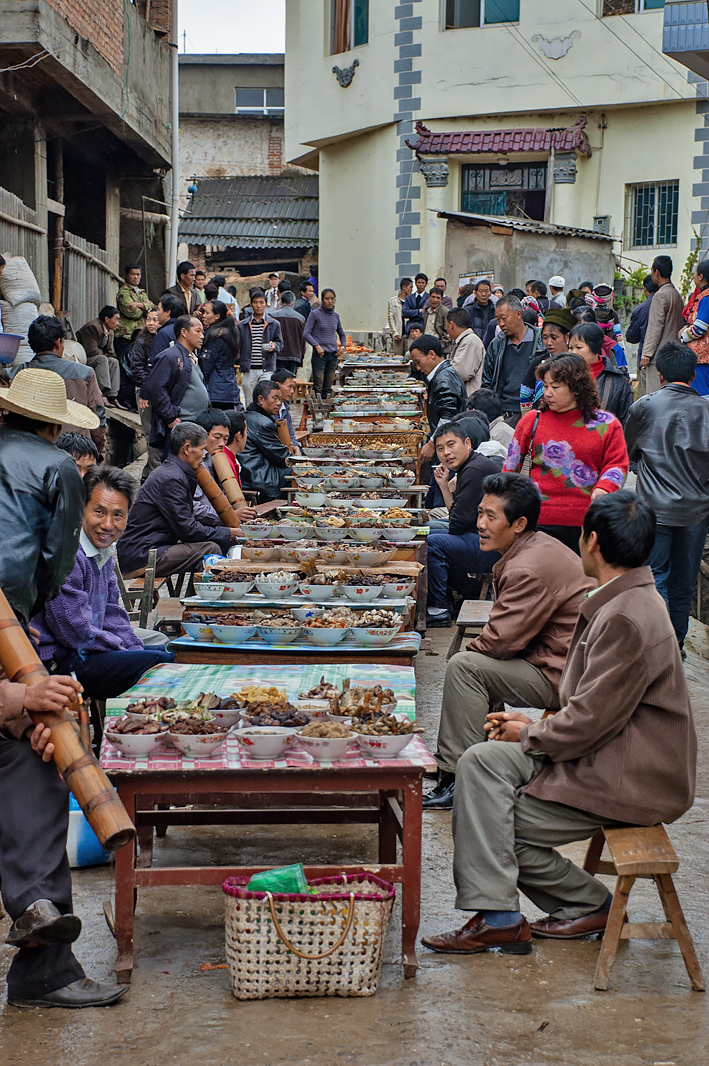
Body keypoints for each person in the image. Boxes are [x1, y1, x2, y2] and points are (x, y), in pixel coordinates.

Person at [423, 490, 696, 954]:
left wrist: (528, 732)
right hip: (605, 751)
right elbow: (590, 708)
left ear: (590, 542)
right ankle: (504, 913)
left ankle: (541, 911)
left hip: (629, 773)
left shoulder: (627, 617)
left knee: (492, 824)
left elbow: (589, 723)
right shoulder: (620, 599)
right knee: (480, 763)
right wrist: (526, 731)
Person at [0, 374, 128, 1009]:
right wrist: (25, 699)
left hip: (11, 638)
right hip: (13, 632)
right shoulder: (56, 467)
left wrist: (30, 705)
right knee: (36, 731)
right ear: (54, 429)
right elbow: (55, 569)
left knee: (39, 750)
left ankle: (43, 956)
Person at [423, 472, 592, 811]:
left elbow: (499, 643)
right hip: (560, 661)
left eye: (491, 516)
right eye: (480, 513)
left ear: (519, 524)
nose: (481, 523)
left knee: (465, 667)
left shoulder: (527, 567)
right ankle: (479, 755)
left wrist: (476, 653)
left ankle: (456, 777)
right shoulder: (535, 545)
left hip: (566, 676)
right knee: (479, 667)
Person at [32, 465, 174, 697]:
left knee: (170, 652)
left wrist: (133, 649)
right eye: (99, 512)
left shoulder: (102, 553)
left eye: (118, 515)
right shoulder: (66, 554)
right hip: (58, 663)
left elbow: (112, 613)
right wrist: (123, 650)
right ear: (81, 509)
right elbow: (74, 631)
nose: (108, 524)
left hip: (86, 651)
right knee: (161, 662)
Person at [625, 341, 709, 651]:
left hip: (653, 507)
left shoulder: (645, 406)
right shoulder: (706, 410)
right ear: (692, 374)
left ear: (660, 375)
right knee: (683, 582)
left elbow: (630, 450)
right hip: (696, 511)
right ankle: (675, 644)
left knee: (654, 574)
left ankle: (655, 643)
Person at [504, 355, 628, 553]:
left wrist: (605, 488)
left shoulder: (607, 424)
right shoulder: (531, 421)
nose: (548, 393)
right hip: (539, 521)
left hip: (588, 522)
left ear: (576, 387)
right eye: (545, 386)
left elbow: (617, 464)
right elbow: (509, 469)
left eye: (556, 387)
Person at [118, 422, 239, 579]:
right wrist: (227, 532)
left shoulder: (174, 473)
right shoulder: (170, 478)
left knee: (216, 543)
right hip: (141, 554)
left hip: (154, 547)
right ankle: (201, 600)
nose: (204, 455)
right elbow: (188, 530)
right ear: (187, 449)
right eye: (202, 449)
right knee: (210, 549)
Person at [425, 424, 500, 628]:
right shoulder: (470, 466)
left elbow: (456, 523)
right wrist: (443, 486)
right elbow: (458, 517)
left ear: (467, 443)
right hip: (479, 536)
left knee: (432, 543)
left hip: (493, 548)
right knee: (429, 528)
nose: (446, 453)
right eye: (440, 449)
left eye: (451, 445)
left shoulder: (475, 470)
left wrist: (447, 493)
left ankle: (438, 607)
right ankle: (467, 590)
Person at [21, 315, 106, 458]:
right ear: (58, 343)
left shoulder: (15, 374)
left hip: (30, 455)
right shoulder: (84, 373)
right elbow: (97, 416)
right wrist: (98, 451)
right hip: (77, 455)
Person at [143, 314, 210, 457]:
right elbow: (155, 387)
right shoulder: (170, 356)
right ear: (184, 332)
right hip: (180, 424)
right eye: (198, 331)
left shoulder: (192, 357)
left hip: (195, 423)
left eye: (202, 332)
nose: (202, 336)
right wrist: (171, 417)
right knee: (177, 465)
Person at [481, 295, 545, 421]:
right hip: (506, 412)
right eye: (498, 320)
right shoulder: (497, 344)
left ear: (518, 314)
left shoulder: (540, 340)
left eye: (504, 318)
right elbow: (487, 381)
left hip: (535, 411)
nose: (501, 324)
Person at [409, 334, 466, 462]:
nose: (418, 368)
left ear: (431, 354)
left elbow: (447, 415)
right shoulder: (442, 375)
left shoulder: (444, 378)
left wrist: (432, 443)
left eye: (418, 362)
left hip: (450, 445)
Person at [568, 322, 633, 425]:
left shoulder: (617, 380)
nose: (573, 353)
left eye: (578, 347)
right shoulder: (565, 375)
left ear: (595, 347)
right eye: (571, 348)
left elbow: (626, 419)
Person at [240, 379, 290, 501]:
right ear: (261, 399)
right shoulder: (263, 423)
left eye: (280, 399)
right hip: (259, 478)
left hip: (250, 472)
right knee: (300, 471)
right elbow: (281, 457)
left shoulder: (249, 415)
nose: (278, 403)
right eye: (275, 398)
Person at [641, 255, 684, 394]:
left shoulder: (660, 295)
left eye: (652, 270)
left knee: (655, 395)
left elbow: (655, 326)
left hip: (660, 355)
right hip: (676, 353)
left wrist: (647, 353)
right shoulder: (676, 294)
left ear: (657, 272)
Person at [519, 307, 575, 412]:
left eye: (554, 337)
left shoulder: (575, 363)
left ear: (567, 337)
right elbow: (525, 394)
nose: (549, 343)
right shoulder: (537, 363)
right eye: (545, 338)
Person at [130, 308, 163, 479]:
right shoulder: (141, 342)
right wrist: (149, 388)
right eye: (149, 319)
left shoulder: (163, 340)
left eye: (155, 320)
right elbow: (136, 370)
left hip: (159, 393)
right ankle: (154, 474)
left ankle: (147, 475)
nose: (151, 323)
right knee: (150, 432)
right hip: (144, 393)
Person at [236, 291, 283, 407]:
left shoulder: (274, 324)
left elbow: (280, 343)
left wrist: (274, 346)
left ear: (266, 304)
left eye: (261, 302)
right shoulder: (242, 325)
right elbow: (237, 345)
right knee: (249, 399)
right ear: (251, 304)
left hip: (266, 368)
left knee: (266, 398)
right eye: (255, 302)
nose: (258, 305)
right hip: (249, 368)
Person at [303, 288, 346, 399]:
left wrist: (343, 346)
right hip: (319, 355)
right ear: (322, 300)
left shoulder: (335, 316)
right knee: (318, 384)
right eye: (327, 298)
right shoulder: (315, 314)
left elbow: (342, 334)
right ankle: (317, 408)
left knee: (328, 385)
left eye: (332, 298)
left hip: (333, 355)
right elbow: (306, 333)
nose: (330, 301)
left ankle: (325, 410)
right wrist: (316, 346)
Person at [76, 306, 122, 407]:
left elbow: (111, 352)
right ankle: (101, 393)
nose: (118, 323)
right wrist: (105, 354)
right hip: (84, 359)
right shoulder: (92, 327)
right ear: (107, 319)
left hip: (97, 358)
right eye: (116, 319)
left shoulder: (110, 332)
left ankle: (112, 396)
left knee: (114, 362)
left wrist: (109, 355)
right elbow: (92, 351)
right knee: (102, 359)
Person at [199, 299, 241, 409]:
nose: (204, 316)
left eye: (207, 313)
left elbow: (206, 365)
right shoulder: (229, 332)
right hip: (227, 386)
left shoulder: (215, 336)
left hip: (216, 389)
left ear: (217, 316)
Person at [679, 258, 709, 396]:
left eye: (695, 274)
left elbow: (699, 329)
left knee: (702, 398)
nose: (694, 278)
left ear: (701, 276)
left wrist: (683, 335)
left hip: (702, 360)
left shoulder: (706, 299)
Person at [115, 263, 154, 361]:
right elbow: (132, 312)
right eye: (133, 274)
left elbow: (153, 309)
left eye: (138, 274)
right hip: (126, 336)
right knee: (126, 365)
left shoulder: (142, 292)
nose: (136, 277)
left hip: (140, 336)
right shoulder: (123, 292)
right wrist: (145, 307)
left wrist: (139, 305)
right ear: (127, 275)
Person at [445, 307, 485, 396]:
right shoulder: (463, 340)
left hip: (471, 396)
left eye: (446, 325)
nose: (446, 329)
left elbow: (461, 372)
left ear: (451, 325)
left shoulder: (470, 341)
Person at [270, 290, 305, 375]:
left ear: (281, 301)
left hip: (277, 354)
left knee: (277, 380)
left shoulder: (272, 316)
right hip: (294, 355)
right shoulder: (300, 318)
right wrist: (301, 357)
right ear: (293, 302)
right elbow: (302, 340)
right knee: (289, 381)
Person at [625, 275, 657, 363]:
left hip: (646, 359)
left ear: (645, 289)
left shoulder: (640, 310)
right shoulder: (670, 303)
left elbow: (631, 337)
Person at [147, 292, 184, 361]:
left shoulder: (164, 333)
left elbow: (156, 359)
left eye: (159, 309)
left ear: (167, 312)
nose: (157, 313)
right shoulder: (185, 329)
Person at [271, 368, 301, 452]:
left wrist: (296, 447)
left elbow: (290, 434)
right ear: (277, 385)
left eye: (293, 388)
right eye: (289, 387)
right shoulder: (269, 408)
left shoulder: (285, 408)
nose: (292, 391)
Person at [388, 277, 413, 355]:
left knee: (409, 355)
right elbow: (390, 318)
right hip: (398, 333)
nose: (411, 290)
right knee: (397, 356)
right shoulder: (393, 301)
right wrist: (395, 333)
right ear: (403, 287)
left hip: (409, 334)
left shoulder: (412, 301)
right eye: (410, 287)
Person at [422, 287, 450, 352]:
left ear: (442, 299)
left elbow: (448, 332)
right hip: (426, 345)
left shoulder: (445, 312)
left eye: (438, 298)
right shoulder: (427, 311)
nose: (435, 300)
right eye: (433, 297)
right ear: (429, 297)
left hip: (439, 347)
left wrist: (441, 345)